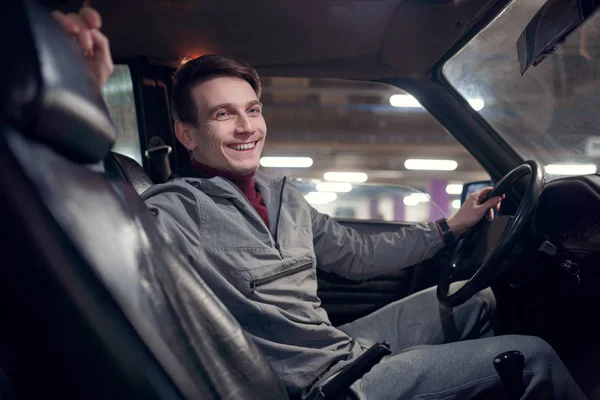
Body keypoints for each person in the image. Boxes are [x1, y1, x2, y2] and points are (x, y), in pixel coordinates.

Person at [53, 7, 587, 399]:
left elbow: (355, 254)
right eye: (222, 115)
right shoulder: (173, 212)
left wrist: (450, 227)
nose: (246, 128)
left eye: (253, 110)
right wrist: (81, 97)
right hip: (313, 385)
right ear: (186, 134)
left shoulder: (284, 195)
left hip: (337, 344)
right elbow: (93, 231)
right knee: (536, 358)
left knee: (480, 301)